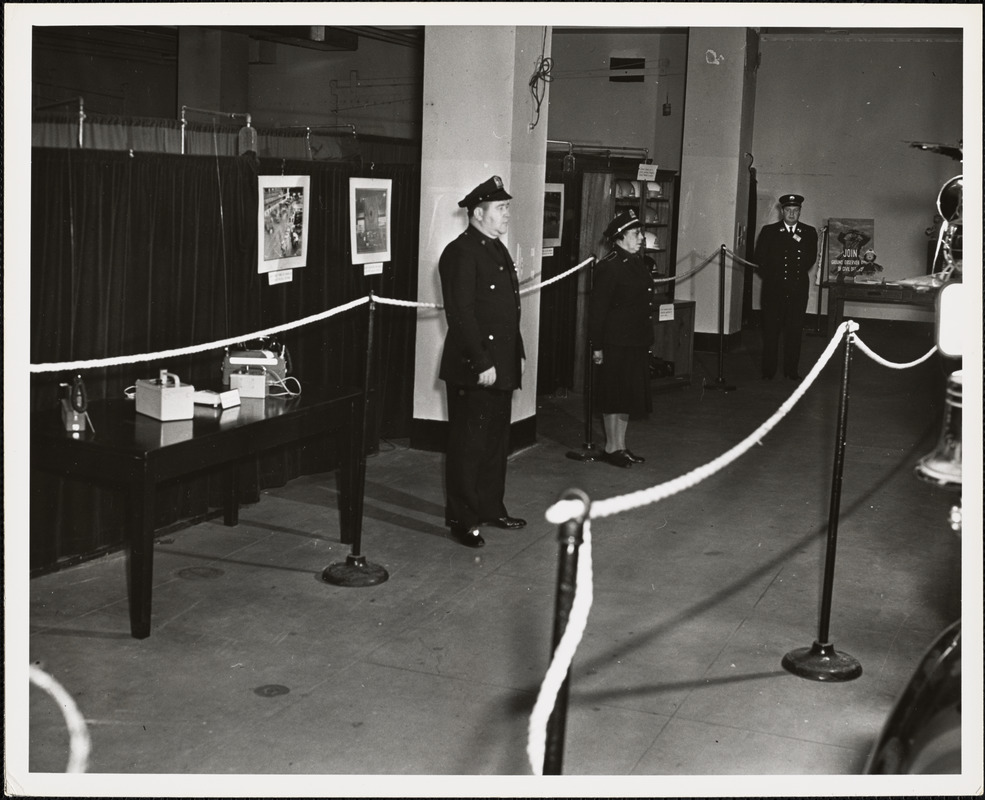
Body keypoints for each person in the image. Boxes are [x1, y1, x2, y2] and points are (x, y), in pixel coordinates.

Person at [437, 176, 527, 548]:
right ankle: (463, 518)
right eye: (501, 209)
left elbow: (506, 309)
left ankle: (490, 506)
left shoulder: (495, 248)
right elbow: (462, 314)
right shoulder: (460, 252)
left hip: (500, 362)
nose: (507, 214)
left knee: (494, 441)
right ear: (478, 213)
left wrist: (511, 357)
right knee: (468, 445)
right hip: (476, 365)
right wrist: (481, 361)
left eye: (507, 208)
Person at [588, 208, 655, 468]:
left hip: (635, 340)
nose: (641, 237)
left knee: (628, 395)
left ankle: (622, 446)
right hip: (615, 341)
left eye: (640, 232)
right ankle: (611, 447)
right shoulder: (610, 266)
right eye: (636, 233)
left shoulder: (635, 262)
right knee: (613, 394)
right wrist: (597, 346)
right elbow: (598, 311)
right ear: (620, 236)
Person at [754, 193, 819, 380]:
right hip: (773, 289)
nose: (792, 214)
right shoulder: (769, 231)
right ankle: (769, 371)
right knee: (771, 331)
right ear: (782, 211)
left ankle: (791, 371)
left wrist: (789, 276)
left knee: (794, 331)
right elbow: (760, 259)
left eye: (795, 210)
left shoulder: (808, 232)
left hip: (797, 289)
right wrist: (775, 277)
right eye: (788, 210)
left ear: (800, 212)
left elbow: (809, 259)